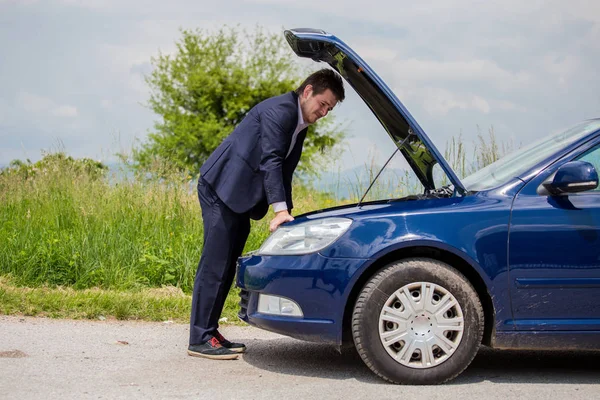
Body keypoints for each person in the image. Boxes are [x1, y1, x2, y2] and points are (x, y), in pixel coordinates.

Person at [188, 68, 345, 359]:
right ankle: (199, 338)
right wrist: (279, 210)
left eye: (329, 109)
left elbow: (285, 171)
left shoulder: (300, 123)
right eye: (323, 104)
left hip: (239, 198)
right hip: (221, 189)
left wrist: (289, 216)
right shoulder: (281, 111)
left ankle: (208, 331)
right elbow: (271, 160)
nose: (324, 112)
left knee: (227, 265)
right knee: (215, 264)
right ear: (308, 91)